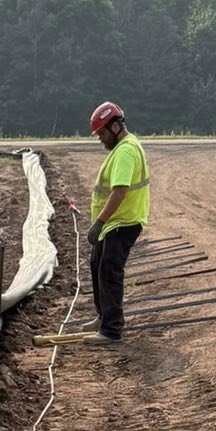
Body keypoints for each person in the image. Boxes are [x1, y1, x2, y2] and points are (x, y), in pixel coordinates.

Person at [87, 100, 150, 342]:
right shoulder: (125, 146)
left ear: (115, 127)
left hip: (122, 222)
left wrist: (99, 222)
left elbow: (120, 191)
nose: (101, 139)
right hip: (115, 222)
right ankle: (103, 316)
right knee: (97, 264)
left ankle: (111, 330)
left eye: (102, 134)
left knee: (109, 271)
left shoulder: (125, 151)